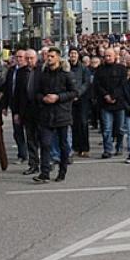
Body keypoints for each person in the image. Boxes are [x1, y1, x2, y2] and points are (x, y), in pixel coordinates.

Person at [34, 47, 76, 183]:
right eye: (48, 56)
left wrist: (58, 97)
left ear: (58, 57)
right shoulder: (43, 74)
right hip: (46, 114)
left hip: (62, 114)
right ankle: (44, 172)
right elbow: (37, 92)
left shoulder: (66, 74)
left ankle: (62, 171)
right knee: (45, 144)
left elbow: (74, 92)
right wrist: (43, 98)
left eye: (52, 56)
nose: (49, 58)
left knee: (63, 144)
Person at [94, 48, 126, 159]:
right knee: (107, 128)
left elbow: (123, 85)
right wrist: (106, 95)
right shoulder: (100, 69)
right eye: (106, 56)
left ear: (115, 56)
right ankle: (107, 149)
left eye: (109, 56)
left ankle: (119, 146)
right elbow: (97, 85)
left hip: (119, 103)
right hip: (105, 103)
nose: (107, 58)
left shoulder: (122, 69)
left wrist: (114, 96)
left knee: (120, 128)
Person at [14, 49, 41, 175]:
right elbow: (17, 94)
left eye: (32, 58)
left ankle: (46, 162)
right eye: (27, 58)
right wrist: (16, 112)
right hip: (26, 111)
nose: (29, 61)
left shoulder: (42, 71)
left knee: (43, 139)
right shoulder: (21, 73)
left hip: (40, 110)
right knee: (30, 139)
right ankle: (33, 164)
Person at [4, 49, 28, 164]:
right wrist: (5, 105)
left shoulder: (28, 71)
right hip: (14, 105)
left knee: (30, 132)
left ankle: (32, 154)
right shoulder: (11, 71)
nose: (19, 59)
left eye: (21, 57)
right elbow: (7, 88)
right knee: (17, 132)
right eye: (17, 57)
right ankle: (22, 154)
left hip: (27, 106)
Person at [68, 48, 91, 158]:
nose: (73, 55)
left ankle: (85, 148)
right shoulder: (66, 67)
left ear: (78, 56)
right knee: (73, 123)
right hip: (69, 99)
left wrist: (78, 94)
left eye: (75, 53)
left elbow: (86, 83)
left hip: (82, 99)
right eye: (71, 53)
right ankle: (75, 147)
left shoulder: (84, 68)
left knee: (83, 122)